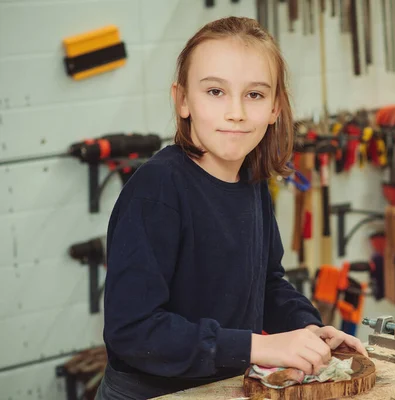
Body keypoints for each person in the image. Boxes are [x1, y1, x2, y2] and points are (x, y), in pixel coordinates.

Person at [95, 16, 367, 399]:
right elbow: (133, 331)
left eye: (254, 95)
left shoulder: (252, 183)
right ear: (183, 100)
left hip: (223, 387)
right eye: (215, 92)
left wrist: (306, 329)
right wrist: (259, 346)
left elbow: (267, 283)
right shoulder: (157, 190)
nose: (236, 112)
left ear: (275, 107)